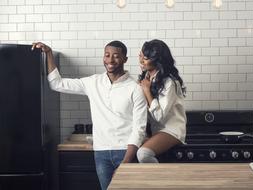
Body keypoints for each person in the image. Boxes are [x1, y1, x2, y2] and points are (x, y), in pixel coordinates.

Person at [32, 41, 148, 190]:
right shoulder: (93, 82)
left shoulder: (135, 89)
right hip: (101, 153)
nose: (110, 60)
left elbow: (139, 128)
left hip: (126, 151)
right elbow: (57, 84)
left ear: (125, 59)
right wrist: (49, 54)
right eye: (107, 55)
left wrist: (126, 162)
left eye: (116, 56)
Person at [136, 39, 187, 163]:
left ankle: (157, 182)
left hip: (171, 130)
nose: (141, 60)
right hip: (155, 131)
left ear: (158, 60)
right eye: (140, 55)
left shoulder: (170, 82)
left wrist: (147, 91)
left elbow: (159, 116)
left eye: (146, 58)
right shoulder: (146, 79)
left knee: (143, 154)